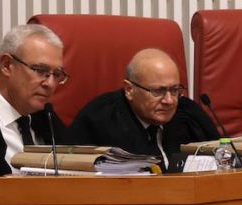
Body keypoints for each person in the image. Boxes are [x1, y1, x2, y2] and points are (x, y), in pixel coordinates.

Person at [68, 48, 219, 172]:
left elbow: (223, 165)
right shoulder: (98, 121)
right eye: (158, 91)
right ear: (129, 90)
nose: (169, 100)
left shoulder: (189, 113)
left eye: (174, 90)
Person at [0, 24, 69, 176]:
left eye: (57, 74)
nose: (51, 84)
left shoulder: (47, 119)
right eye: (40, 71)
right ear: (7, 65)